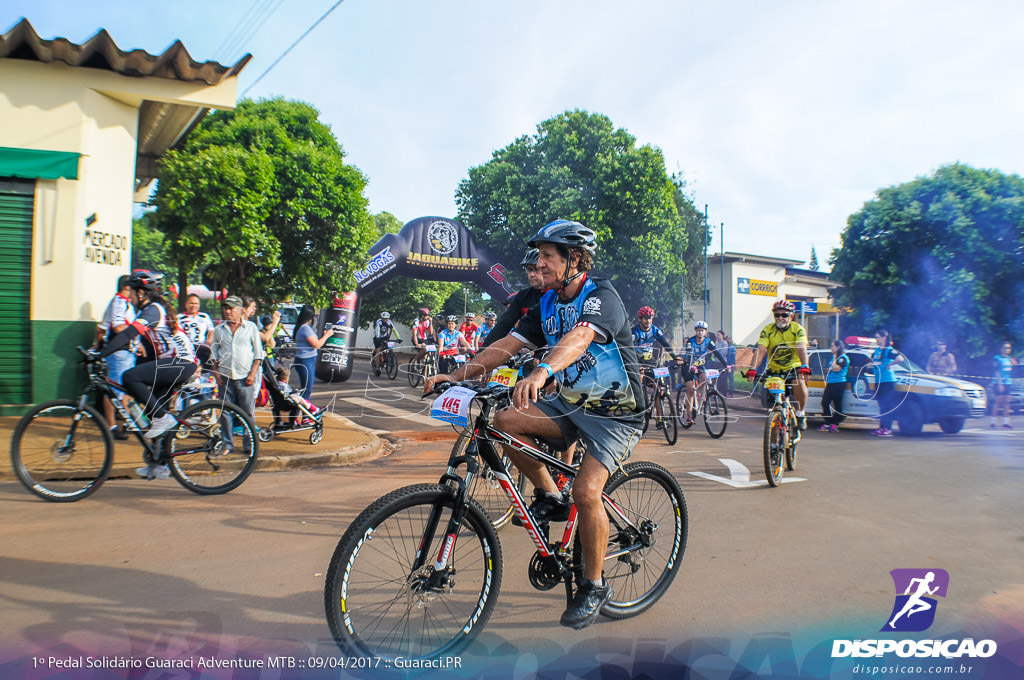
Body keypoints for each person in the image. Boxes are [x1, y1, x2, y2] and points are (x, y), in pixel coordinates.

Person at [426, 219, 644, 630]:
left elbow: (580, 338)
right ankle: (548, 494)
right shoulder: (546, 303)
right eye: (539, 255)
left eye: (548, 256)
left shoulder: (602, 295)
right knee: (504, 421)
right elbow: (508, 344)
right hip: (570, 404)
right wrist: (459, 376)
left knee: (585, 488)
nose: (538, 264)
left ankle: (594, 585)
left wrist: (541, 372)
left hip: (615, 414)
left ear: (574, 258)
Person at [95, 271, 198, 479]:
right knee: (154, 414)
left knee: (130, 377)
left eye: (132, 293)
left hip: (182, 363)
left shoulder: (152, 311)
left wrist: (99, 354)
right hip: (171, 363)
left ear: (141, 293)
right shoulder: (151, 310)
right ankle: (159, 465)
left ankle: (163, 419)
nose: (130, 298)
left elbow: (127, 334)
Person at [744, 299, 811, 430]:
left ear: (791, 316)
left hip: (793, 367)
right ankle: (774, 444)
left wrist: (805, 367)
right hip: (774, 370)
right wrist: (752, 369)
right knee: (774, 410)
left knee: (799, 382)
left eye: (784, 315)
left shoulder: (798, 329)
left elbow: (801, 348)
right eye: (777, 315)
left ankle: (800, 413)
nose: (780, 318)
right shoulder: (767, 330)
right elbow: (761, 350)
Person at [211, 295, 265, 452]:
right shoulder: (219, 330)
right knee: (225, 412)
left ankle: (250, 446)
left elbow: (258, 354)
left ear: (241, 310)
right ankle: (228, 444)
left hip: (245, 378)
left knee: (247, 413)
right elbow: (214, 354)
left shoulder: (251, 328)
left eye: (231, 308)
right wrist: (216, 373)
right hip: (225, 377)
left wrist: (252, 374)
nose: (228, 311)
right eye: (226, 308)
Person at [95, 274, 136, 440]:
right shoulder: (119, 302)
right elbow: (118, 327)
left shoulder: (123, 303)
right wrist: (136, 331)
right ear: (127, 287)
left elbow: (101, 328)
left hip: (124, 351)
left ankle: (125, 423)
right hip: (119, 352)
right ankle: (111, 426)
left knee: (123, 390)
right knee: (114, 390)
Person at [483, 248, 546, 348]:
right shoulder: (523, 297)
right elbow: (502, 326)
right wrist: (480, 354)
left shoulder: (561, 293)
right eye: (529, 270)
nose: (531, 274)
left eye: (536, 269)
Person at [631, 306, 679, 427]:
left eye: (650, 318)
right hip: (637, 361)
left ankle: (660, 419)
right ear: (640, 319)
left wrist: (675, 357)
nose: (648, 321)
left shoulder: (655, 330)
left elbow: (666, 344)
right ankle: (639, 406)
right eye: (645, 318)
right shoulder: (634, 331)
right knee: (640, 378)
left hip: (650, 362)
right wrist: (635, 365)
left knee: (659, 388)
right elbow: (629, 348)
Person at [680, 320, 728, 426]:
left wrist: (726, 365)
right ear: (696, 331)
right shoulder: (690, 342)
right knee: (691, 390)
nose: (700, 333)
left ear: (705, 332)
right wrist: (691, 365)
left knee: (705, 380)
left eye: (702, 331)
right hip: (688, 366)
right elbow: (687, 355)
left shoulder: (708, 342)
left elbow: (717, 353)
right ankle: (689, 417)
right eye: (698, 330)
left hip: (699, 366)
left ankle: (699, 399)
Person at [867, 329, 904, 437]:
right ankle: (882, 427)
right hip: (879, 381)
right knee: (881, 406)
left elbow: (900, 358)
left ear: (884, 338)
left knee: (887, 405)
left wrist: (891, 364)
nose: (877, 339)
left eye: (878, 337)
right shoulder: (877, 350)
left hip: (887, 381)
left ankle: (888, 428)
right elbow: (873, 362)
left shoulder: (889, 350)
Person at [292, 305, 333, 401]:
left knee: (305, 390)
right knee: (306, 391)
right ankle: (302, 414)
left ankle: (300, 414)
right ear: (311, 317)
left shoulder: (301, 327)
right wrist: (327, 335)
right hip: (306, 361)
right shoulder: (305, 328)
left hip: (305, 360)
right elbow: (317, 344)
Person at [819, 339, 849, 432]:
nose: (831, 348)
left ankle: (835, 423)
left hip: (839, 383)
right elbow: (830, 368)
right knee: (825, 402)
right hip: (831, 383)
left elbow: (836, 369)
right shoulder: (833, 357)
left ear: (838, 347)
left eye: (832, 346)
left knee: (837, 405)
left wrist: (834, 361)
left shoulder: (843, 358)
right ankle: (828, 422)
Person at [991, 341, 1017, 429]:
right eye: (1005, 348)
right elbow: (997, 371)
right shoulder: (997, 358)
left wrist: (1014, 362)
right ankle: (993, 421)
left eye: (1009, 348)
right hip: (999, 382)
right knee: (998, 402)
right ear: (1001, 349)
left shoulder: (1010, 358)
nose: (1007, 350)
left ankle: (1006, 423)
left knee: (1007, 402)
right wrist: (999, 384)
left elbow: (1013, 368)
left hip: (1008, 382)